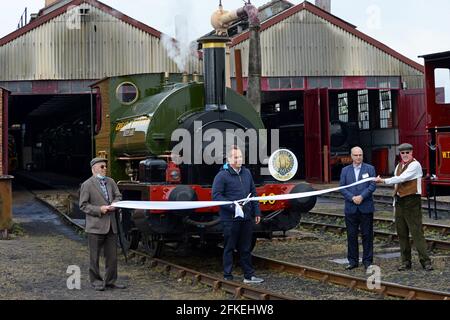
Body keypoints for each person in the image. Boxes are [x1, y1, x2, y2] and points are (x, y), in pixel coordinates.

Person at [375, 143, 433, 271]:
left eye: (407, 152)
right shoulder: (398, 166)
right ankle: (405, 262)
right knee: (402, 233)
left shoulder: (415, 165)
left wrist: (383, 180)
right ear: (400, 154)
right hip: (400, 201)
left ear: (412, 153)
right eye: (403, 153)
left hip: (412, 201)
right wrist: (395, 201)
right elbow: (397, 183)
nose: (405, 155)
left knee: (417, 233)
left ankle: (426, 261)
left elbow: (402, 178)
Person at [212, 145, 264, 284]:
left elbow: (253, 193)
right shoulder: (222, 175)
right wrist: (232, 206)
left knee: (246, 247)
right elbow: (216, 196)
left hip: (246, 217)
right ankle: (227, 275)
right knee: (229, 246)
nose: (238, 159)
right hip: (230, 218)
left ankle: (249, 276)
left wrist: (256, 211)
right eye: (235, 157)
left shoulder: (246, 173)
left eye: (240, 157)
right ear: (229, 159)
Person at [79, 157, 127, 291]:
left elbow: (118, 196)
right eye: (102, 166)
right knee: (94, 257)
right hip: (95, 226)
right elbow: (83, 205)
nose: (105, 169)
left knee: (112, 257)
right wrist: (99, 209)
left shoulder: (111, 182)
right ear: (94, 168)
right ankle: (96, 282)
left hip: (112, 225)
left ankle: (111, 281)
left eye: (105, 166)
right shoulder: (87, 185)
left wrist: (114, 204)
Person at [339, 147, 376, 271]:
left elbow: (372, 185)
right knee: (351, 235)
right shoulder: (345, 170)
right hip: (351, 208)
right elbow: (342, 187)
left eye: (360, 155)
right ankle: (353, 261)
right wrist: (352, 197)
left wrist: (362, 196)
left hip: (366, 207)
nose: (358, 157)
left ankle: (367, 261)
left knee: (367, 235)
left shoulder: (370, 169)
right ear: (351, 156)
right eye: (356, 155)